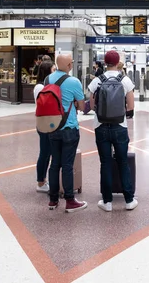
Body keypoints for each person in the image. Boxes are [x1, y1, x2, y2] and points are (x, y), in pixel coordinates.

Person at [89, 50, 138, 212]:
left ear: (104, 62)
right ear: (118, 63)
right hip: (120, 127)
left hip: (101, 126)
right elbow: (131, 107)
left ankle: (107, 202)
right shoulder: (125, 80)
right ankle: (129, 200)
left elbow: (92, 105)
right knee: (123, 162)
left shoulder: (97, 80)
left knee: (105, 163)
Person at [47, 54, 87, 212]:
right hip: (69, 128)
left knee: (54, 164)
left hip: (52, 126)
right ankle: (70, 200)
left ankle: (53, 200)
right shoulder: (73, 81)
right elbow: (83, 107)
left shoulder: (47, 79)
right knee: (67, 166)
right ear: (70, 65)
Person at [33, 61, 55, 193]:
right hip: (44, 122)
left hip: (51, 122)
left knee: (50, 152)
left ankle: (45, 180)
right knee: (45, 153)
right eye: (53, 70)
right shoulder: (40, 87)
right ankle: (40, 182)